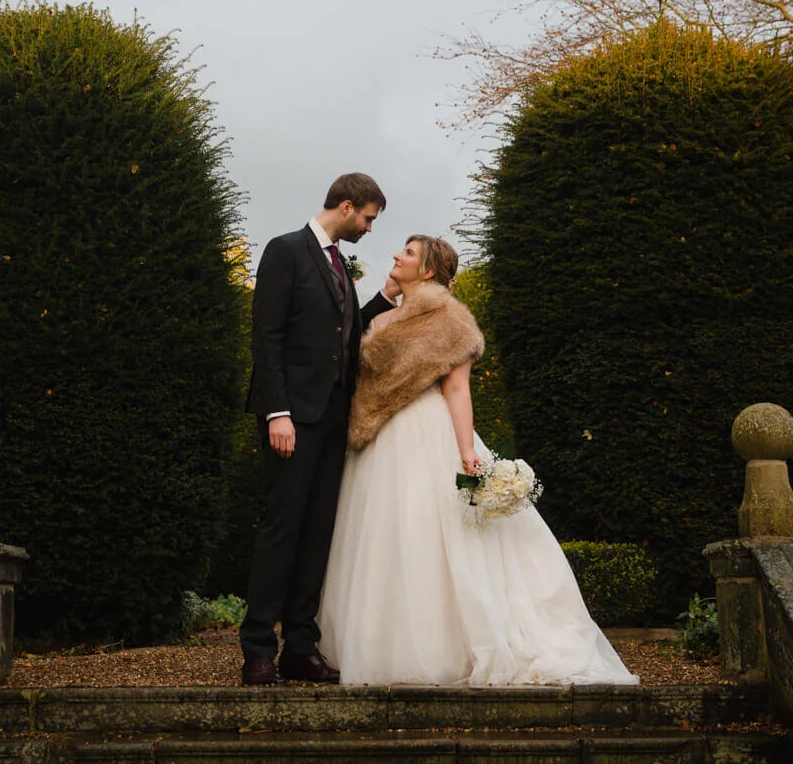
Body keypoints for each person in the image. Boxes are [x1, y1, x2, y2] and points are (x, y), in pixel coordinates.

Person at [317, 235, 638, 686]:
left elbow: (457, 390)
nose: (396, 255)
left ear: (428, 270)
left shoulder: (452, 321)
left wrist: (466, 450)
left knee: (427, 534)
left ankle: (442, 647)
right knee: (381, 537)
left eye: (408, 253)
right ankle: (379, 643)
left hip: (425, 433)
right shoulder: (382, 318)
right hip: (378, 440)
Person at [239, 172, 397, 686]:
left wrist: (382, 298)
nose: (370, 228)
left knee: (317, 534)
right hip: (293, 418)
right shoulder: (285, 250)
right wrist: (276, 412)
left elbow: (341, 338)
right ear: (346, 206)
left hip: (334, 418)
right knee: (282, 529)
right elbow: (267, 337)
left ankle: (300, 647)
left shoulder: (339, 264)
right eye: (368, 218)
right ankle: (258, 649)